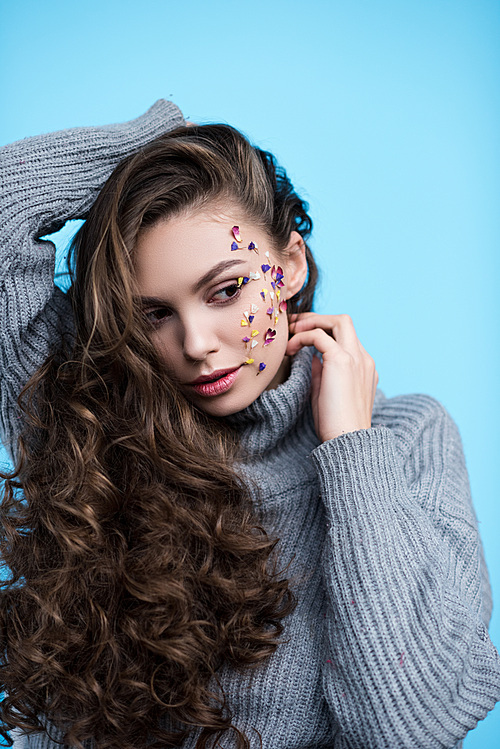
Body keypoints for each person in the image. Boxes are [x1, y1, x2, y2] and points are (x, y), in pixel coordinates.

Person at [0, 99, 499, 749]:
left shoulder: (408, 440)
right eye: (154, 314)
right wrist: (155, 133)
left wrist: (351, 448)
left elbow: (406, 726)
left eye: (226, 289)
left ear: (289, 265)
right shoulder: (89, 419)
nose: (198, 342)